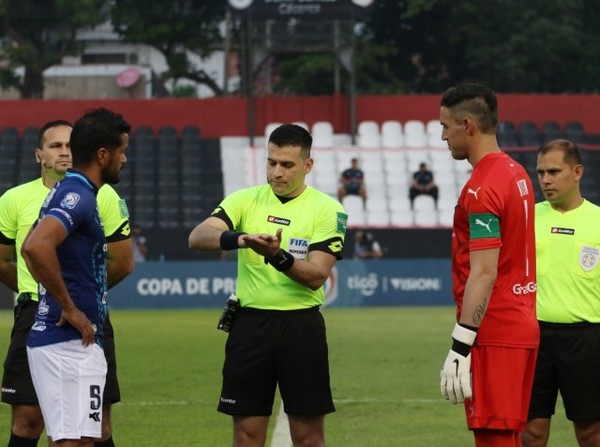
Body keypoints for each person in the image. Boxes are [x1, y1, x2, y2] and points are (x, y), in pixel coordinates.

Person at [188, 123, 347, 447]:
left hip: (301, 327)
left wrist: (277, 256)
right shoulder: (244, 200)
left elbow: (317, 274)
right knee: (246, 436)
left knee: (309, 438)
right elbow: (197, 237)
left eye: (287, 164)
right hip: (249, 326)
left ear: (307, 165)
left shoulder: (328, 210)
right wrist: (240, 238)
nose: (277, 172)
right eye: (271, 162)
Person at [0, 120, 133, 447]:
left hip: (81, 327)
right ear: (103, 155)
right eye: (122, 151)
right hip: (64, 332)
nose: (125, 159)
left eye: (68, 146)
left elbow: (32, 241)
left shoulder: (77, 192)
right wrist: (66, 304)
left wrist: (78, 297)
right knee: (67, 437)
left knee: (87, 433)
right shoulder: (77, 195)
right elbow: (34, 247)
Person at [438, 83, 539, 447]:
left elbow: (484, 271)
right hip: (521, 323)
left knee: (494, 437)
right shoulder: (517, 173)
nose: (443, 136)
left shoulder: (483, 188)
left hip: (495, 330)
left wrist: (461, 343)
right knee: (508, 436)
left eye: (446, 126)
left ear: (468, 125)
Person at [521, 140, 600, 447]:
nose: (546, 180)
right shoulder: (526, 217)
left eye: (554, 171)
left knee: (591, 433)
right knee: (531, 432)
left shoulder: (597, 220)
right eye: (540, 172)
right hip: (533, 337)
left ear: (577, 171)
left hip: (587, 339)